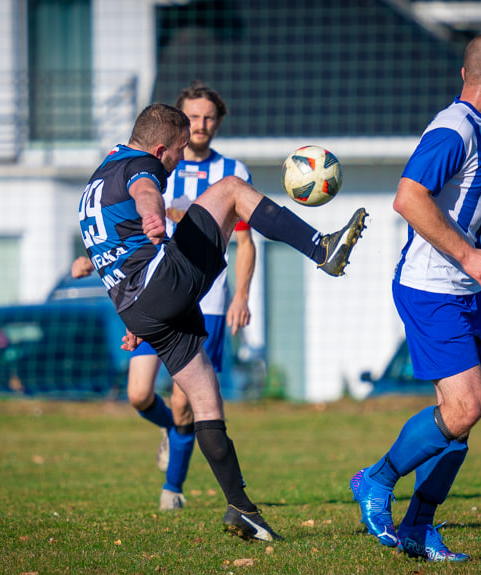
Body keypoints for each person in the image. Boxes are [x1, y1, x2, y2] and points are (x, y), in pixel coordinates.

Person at [79, 102, 368, 541]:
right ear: (159, 149)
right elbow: (144, 191)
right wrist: (152, 211)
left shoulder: (98, 179)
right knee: (230, 189)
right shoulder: (141, 167)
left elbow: (111, 253)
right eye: (177, 151)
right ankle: (320, 247)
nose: (178, 159)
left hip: (137, 304)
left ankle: (241, 508)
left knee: (205, 399)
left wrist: (138, 314)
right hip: (161, 284)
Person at [349, 32, 481, 562]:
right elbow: (409, 198)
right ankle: (376, 479)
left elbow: (476, 201)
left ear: (467, 73)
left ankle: (418, 526)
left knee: (461, 414)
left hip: (468, 290)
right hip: (433, 288)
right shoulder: (453, 130)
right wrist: (468, 256)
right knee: (467, 406)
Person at [74, 81, 258, 512]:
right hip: (152, 286)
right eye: (193, 117)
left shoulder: (233, 170)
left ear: (218, 122)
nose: (201, 125)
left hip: (203, 294)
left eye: (209, 117)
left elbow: (245, 242)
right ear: (174, 127)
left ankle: (172, 490)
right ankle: (174, 434)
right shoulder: (148, 167)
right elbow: (125, 216)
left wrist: (242, 295)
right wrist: (93, 259)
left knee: (185, 399)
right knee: (139, 394)